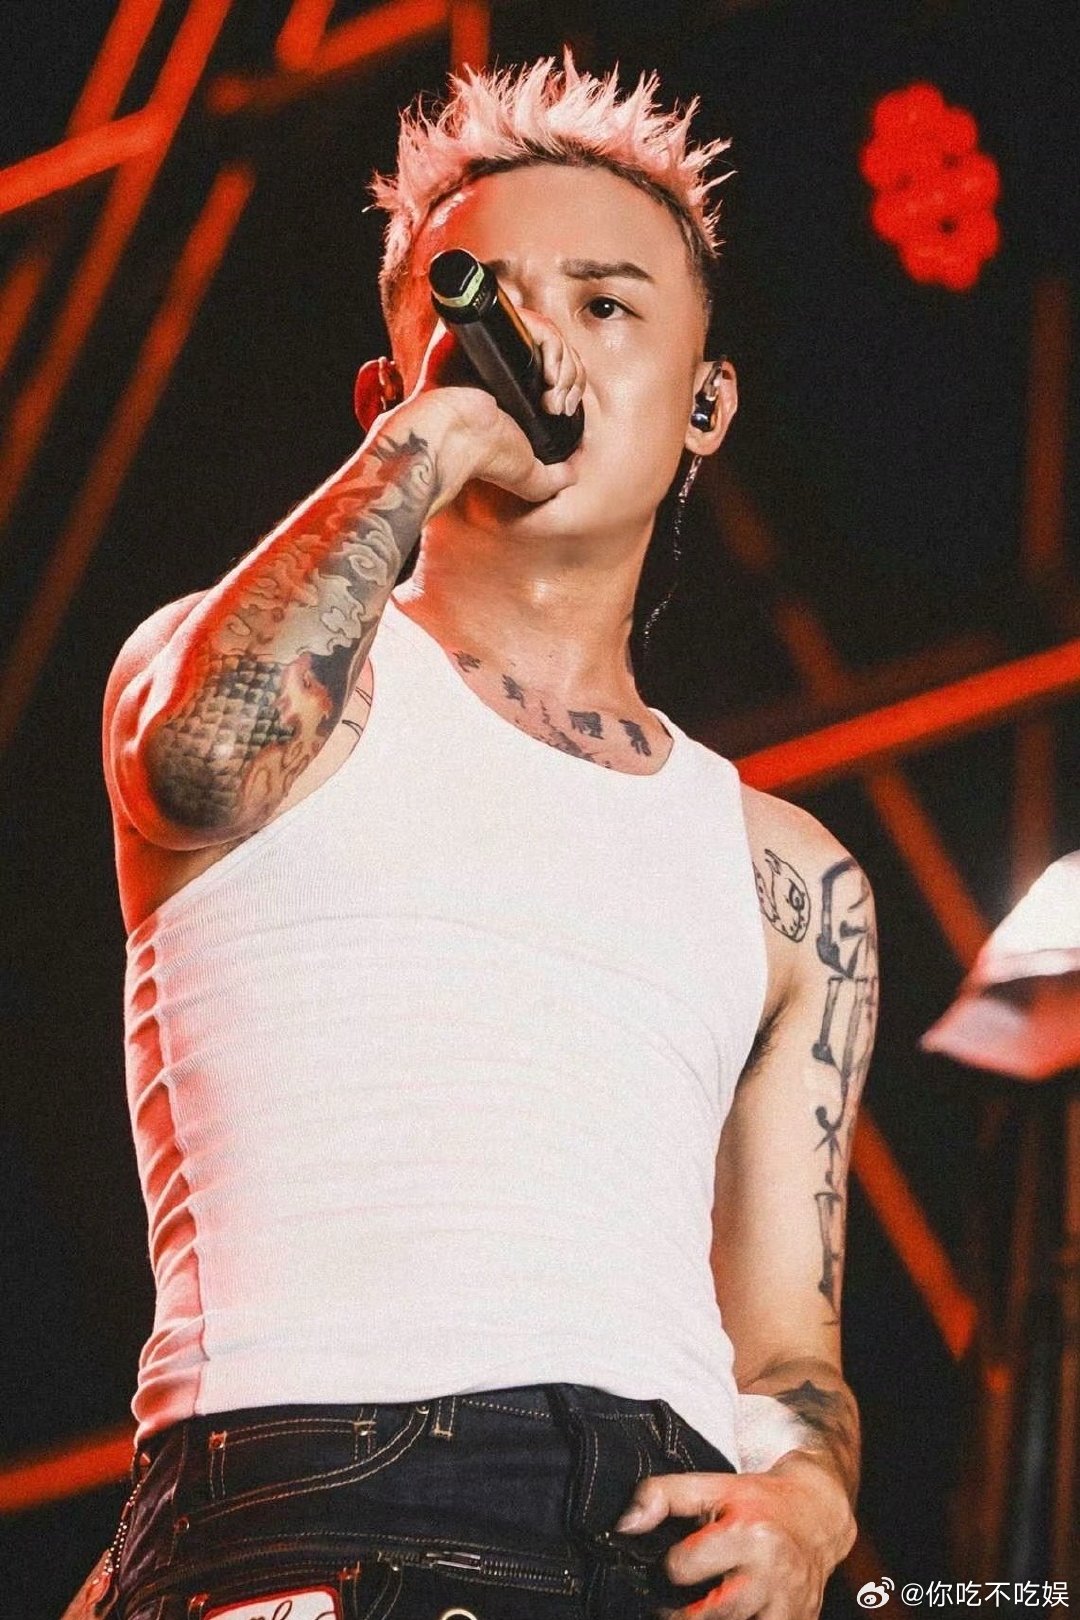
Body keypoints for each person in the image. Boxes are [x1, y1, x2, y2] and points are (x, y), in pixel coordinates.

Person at [97, 52, 878, 1620]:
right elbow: (197, 764)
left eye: (605, 303)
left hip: (651, 1538)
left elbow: (790, 1349)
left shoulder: (788, 876)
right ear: (388, 392)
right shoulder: (251, 674)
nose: (544, 344)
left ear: (707, 401)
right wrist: (436, 439)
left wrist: (808, 1497)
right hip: (320, 1501)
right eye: (493, 310)